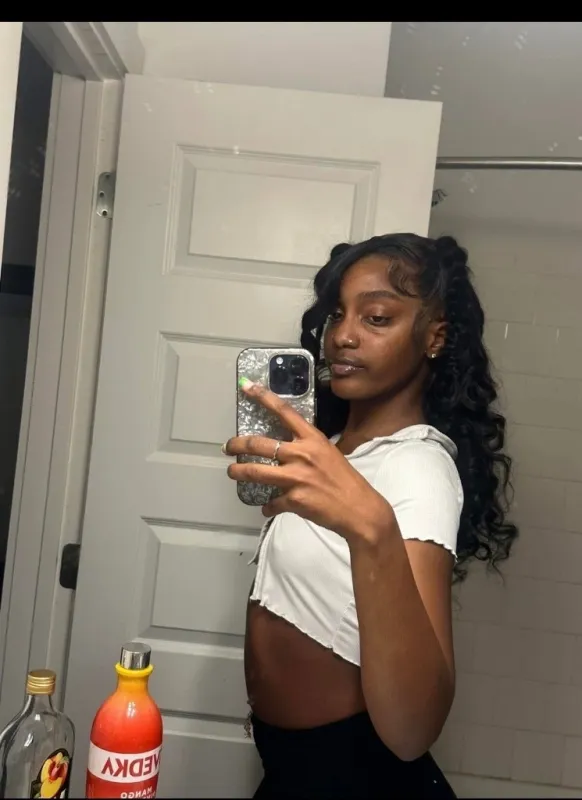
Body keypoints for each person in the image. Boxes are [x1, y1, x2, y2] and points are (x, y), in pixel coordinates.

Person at [224, 233, 518, 799]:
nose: (343, 335)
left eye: (376, 317)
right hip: (291, 770)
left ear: (434, 337)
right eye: (338, 314)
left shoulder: (417, 467)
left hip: (356, 778)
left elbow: (413, 730)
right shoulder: (335, 451)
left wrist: (372, 529)